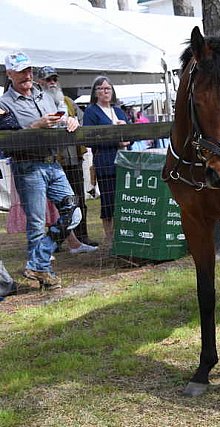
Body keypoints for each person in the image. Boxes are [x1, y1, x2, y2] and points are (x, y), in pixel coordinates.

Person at [0, 52, 81, 289]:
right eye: (21, 71)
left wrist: (69, 122)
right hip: (27, 166)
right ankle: (43, 273)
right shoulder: (4, 104)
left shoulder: (44, 95)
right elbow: (8, 139)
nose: (27, 75)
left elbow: (61, 116)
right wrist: (36, 125)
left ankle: (37, 261)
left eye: (29, 70)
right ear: (9, 74)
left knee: (73, 212)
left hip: (52, 163)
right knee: (36, 223)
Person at [36, 66, 98, 251]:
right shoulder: (39, 102)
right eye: (48, 79)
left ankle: (82, 236)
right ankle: (60, 241)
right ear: (40, 82)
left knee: (79, 199)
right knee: (58, 205)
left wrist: (76, 122)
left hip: (74, 158)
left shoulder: (69, 101)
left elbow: (82, 120)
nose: (52, 82)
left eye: (54, 78)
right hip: (54, 160)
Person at [83, 76, 130, 249]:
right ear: (95, 92)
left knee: (123, 198)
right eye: (101, 89)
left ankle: (122, 233)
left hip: (124, 162)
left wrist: (125, 136)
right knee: (108, 200)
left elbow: (131, 132)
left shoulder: (118, 111)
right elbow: (89, 139)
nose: (105, 91)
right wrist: (113, 138)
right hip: (105, 161)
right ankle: (109, 237)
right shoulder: (91, 112)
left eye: (108, 88)